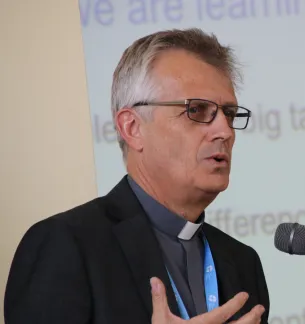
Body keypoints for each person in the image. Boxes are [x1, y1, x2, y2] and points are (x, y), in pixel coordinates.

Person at [4, 28, 268, 324]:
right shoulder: (66, 245)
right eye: (197, 109)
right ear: (132, 128)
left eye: (229, 114)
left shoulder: (243, 263)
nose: (225, 132)